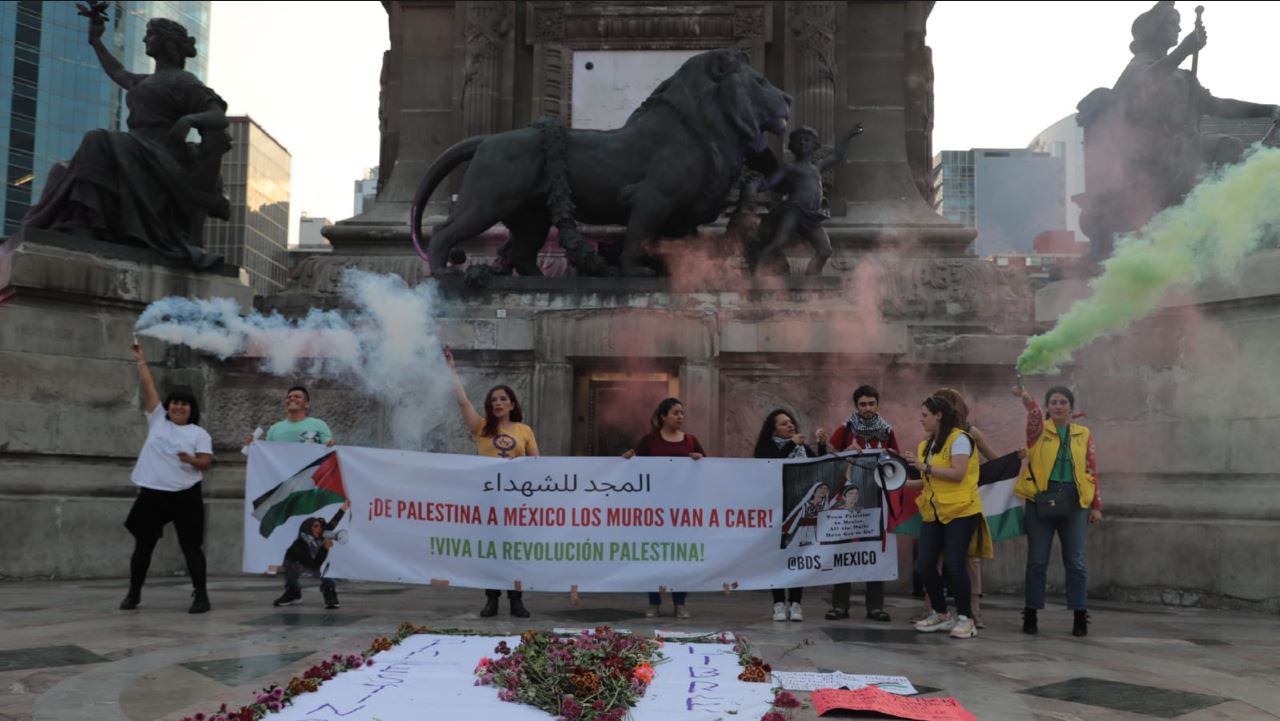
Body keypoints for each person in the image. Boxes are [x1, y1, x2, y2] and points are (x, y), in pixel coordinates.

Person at [22, 13, 232, 270]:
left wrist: (189, 119)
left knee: (97, 139)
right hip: (133, 150)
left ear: (167, 43)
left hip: (160, 154)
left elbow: (218, 116)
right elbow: (117, 71)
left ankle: (89, 223)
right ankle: (72, 223)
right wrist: (96, 41)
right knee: (60, 170)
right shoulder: (143, 80)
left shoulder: (184, 81)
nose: (145, 38)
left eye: (151, 34)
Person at [120, 342, 214, 614]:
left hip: (186, 494)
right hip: (152, 493)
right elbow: (149, 387)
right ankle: (133, 593)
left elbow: (206, 463)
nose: (178, 407)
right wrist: (140, 359)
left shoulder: (198, 433)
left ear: (190, 408)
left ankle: (201, 596)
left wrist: (191, 460)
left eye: (183, 404)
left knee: (191, 547)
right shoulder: (158, 420)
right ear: (168, 406)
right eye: (174, 403)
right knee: (143, 546)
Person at [446, 349, 538, 618]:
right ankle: (491, 599)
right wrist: (451, 369)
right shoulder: (481, 427)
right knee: (491, 550)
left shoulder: (525, 430)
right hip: (487, 498)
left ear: (511, 404)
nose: (498, 403)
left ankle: (517, 599)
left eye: (503, 399)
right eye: (493, 399)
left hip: (516, 500)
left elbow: (536, 463)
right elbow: (463, 402)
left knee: (515, 551)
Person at [1013, 385, 1102, 637]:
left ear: (1071, 406)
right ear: (1047, 407)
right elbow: (1033, 417)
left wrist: (1096, 505)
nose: (1059, 406)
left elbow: (1091, 470)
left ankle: (1079, 614)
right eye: (1054, 402)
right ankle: (1031, 612)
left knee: (1075, 561)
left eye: (1063, 402)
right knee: (1037, 559)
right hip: (1042, 499)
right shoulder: (1039, 430)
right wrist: (1027, 398)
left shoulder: (1083, 433)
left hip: (1074, 501)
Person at [251, 385, 343, 609]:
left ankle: (328, 589)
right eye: (289, 396)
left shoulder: (318, 426)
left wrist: (329, 444)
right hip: (288, 495)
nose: (292, 399)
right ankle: (292, 590)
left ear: (307, 404)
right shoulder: (275, 430)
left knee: (321, 542)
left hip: (310, 494)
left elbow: (328, 453)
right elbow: (268, 460)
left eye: (297, 396)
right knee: (289, 545)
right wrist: (253, 449)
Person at [904, 395, 982, 640]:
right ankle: (941, 612)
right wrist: (903, 483)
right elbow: (930, 480)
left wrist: (924, 467)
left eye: (925, 415)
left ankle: (966, 619)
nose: (921, 419)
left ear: (939, 416)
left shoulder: (959, 439)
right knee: (924, 563)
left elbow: (957, 474)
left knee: (955, 563)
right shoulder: (926, 445)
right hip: (934, 511)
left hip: (961, 511)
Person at [623, 397, 705, 619]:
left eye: (682, 413)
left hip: (682, 509)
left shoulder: (690, 440)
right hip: (654, 510)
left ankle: (680, 603)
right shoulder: (649, 440)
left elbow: (707, 469)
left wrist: (699, 459)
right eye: (676, 412)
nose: (681, 417)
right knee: (653, 555)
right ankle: (654, 602)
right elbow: (634, 469)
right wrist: (628, 459)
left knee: (680, 556)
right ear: (663, 416)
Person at [929, 388, 1002, 628]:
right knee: (934, 557)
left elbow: (994, 459)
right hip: (938, 502)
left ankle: (974, 609)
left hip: (965, 502)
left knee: (969, 558)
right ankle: (934, 606)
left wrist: (1012, 461)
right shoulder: (934, 436)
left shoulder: (969, 434)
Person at [826, 385, 899, 622]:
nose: (867, 408)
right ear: (856, 406)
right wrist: (847, 450)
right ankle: (840, 605)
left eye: (871, 403)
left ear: (878, 404)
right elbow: (830, 453)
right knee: (844, 547)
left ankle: (875, 606)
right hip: (851, 495)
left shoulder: (887, 430)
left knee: (876, 547)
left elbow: (896, 460)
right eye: (862, 404)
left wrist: (888, 455)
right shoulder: (846, 427)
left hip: (878, 495)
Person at [751, 126, 862, 275]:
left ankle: (811, 278)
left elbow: (836, 156)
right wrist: (756, 186)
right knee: (778, 243)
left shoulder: (818, 166)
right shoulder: (789, 167)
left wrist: (847, 136)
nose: (803, 143)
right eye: (799, 140)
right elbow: (771, 182)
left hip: (811, 215)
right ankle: (756, 273)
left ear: (815, 144)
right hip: (794, 210)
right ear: (793, 145)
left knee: (825, 249)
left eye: (807, 140)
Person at [753, 409, 828, 622]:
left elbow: (818, 467)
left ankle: (796, 603)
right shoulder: (766, 447)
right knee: (778, 557)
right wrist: (791, 444)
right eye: (784, 424)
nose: (790, 426)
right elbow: (770, 465)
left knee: (797, 555)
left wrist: (821, 445)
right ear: (773, 428)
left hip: (800, 507)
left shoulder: (802, 447)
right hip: (776, 509)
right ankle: (778, 603)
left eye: (791, 422)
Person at [274, 504, 349, 609]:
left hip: (313, 561)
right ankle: (293, 593)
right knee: (290, 570)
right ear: (308, 528)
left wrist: (343, 509)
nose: (320, 529)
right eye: (316, 526)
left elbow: (332, 523)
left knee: (327, 568)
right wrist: (324, 548)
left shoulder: (320, 533)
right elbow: (314, 565)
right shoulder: (300, 545)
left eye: (320, 526)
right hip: (303, 564)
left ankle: (329, 591)